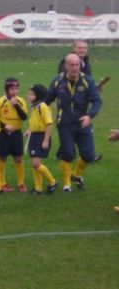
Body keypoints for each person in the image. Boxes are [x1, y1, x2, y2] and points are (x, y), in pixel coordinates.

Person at [45, 53, 102, 192]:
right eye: (71, 65)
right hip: (65, 124)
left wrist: (89, 116)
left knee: (88, 155)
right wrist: (38, 114)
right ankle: (66, 184)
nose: (75, 68)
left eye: (77, 65)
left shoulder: (87, 81)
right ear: (65, 66)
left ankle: (75, 175)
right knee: (68, 153)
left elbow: (97, 101)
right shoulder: (57, 81)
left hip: (83, 124)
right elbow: (46, 101)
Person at [0, 78, 28, 192]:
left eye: (16, 88)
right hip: (3, 134)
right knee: (2, 157)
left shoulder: (21, 101)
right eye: (12, 89)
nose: (15, 91)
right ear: (6, 90)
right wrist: (4, 126)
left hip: (17, 134)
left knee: (18, 158)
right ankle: (2, 183)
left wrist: (16, 106)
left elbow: (24, 117)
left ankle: (21, 183)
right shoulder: (0, 102)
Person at [25, 84, 58, 195]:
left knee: (36, 164)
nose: (29, 96)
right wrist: (29, 129)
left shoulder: (43, 106)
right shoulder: (35, 106)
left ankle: (52, 182)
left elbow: (48, 124)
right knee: (36, 162)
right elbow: (35, 121)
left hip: (41, 137)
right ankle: (38, 188)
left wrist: (45, 140)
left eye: (31, 94)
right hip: (34, 136)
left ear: (38, 95)